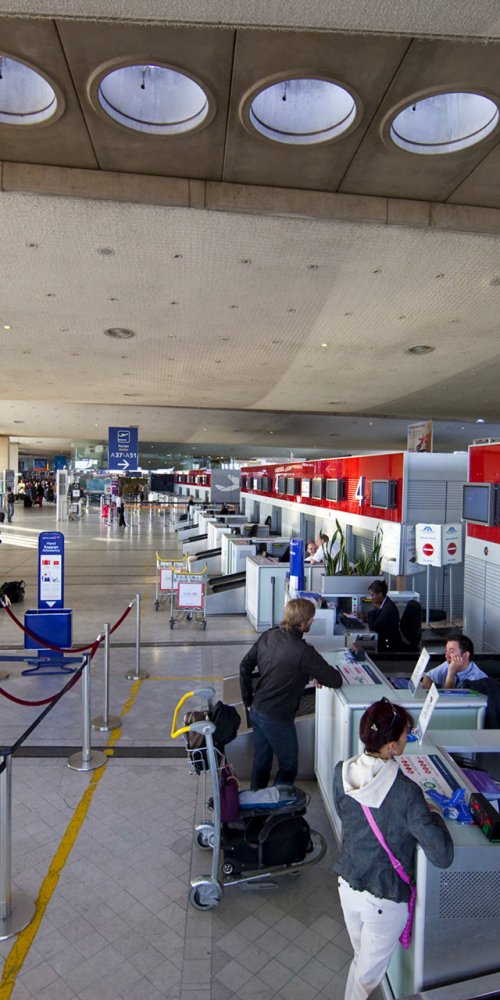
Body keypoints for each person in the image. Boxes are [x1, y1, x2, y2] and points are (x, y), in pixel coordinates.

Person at [333, 697, 453, 1000]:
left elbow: (349, 816)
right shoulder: (406, 793)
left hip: (348, 884)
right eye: (403, 737)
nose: (406, 741)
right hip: (383, 900)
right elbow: (442, 856)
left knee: (362, 963)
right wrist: (435, 816)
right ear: (390, 747)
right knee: (366, 978)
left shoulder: (340, 772)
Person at [239, 597, 343, 789]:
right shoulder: (304, 652)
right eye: (311, 619)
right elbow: (335, 680)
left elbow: (245, 666)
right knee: (289, 766)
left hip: (257, 709)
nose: (312, 621)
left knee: (261, 761)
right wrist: (314, 673)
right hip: (278, 717)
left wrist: (247, 699)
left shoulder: (268, 636)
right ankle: (278, 806)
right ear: (302, 623)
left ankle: (256, 803)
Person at [421, 634, 488, 689]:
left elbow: (450, 698)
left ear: (465, 655)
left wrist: (451, 672)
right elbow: (428, 677)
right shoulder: (448, 664)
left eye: (451, 651)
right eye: (446, 651)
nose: (447, 655)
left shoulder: (477, 679)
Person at [365, 579, 402, 653]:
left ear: (380, 595)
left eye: (372, 595)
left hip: (389, 645)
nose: (371, 598)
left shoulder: (388, 609)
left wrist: (371, 611)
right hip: (385, 640)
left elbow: (373, 626)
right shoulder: (385, 603)